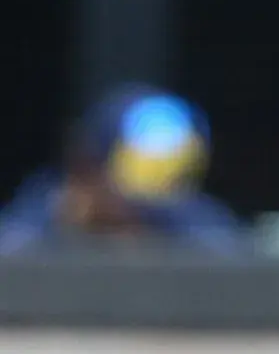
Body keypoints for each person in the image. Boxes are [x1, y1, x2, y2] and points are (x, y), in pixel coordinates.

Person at [0, 88, 243, 254]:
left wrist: (152, 242)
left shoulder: (186, 217)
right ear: (86, 168)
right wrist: (69, 226)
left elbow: (233, 254)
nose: (136, 210)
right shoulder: (44, 210)